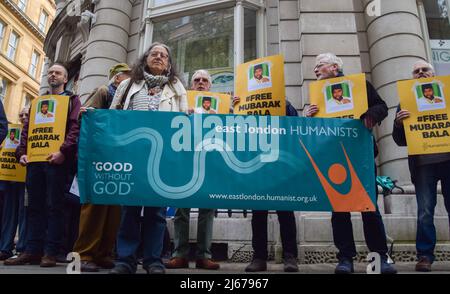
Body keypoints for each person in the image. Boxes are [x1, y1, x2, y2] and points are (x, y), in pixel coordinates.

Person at [304, 53, 397, 274]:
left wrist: (369, 116)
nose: (315, 70)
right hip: (333, 158)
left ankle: (379, 260)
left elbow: (381, 106)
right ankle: (345, 259)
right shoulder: (317, 96)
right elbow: (312, 131)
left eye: (320, 65)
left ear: (335, 67)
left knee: (370, 209)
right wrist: (308, 115)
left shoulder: (358, 86)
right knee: (339, 210)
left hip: (360, 157)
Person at [109, 42, 188, 274]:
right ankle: (125, 260)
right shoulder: (127, 84)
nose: (159, 57)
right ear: (145, 59)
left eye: (163, 55)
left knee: (156, 211)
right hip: (131, 155)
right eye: (154, 54)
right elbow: (113, 117)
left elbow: (183, 121)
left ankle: (153, 260)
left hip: (162, 157)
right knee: (129, 209)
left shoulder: (177, 88)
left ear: (168, 64)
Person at [4, 63, 81, 267]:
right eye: (50, 72)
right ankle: (32, 250)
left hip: (56, 161)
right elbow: (28, 131)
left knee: (55, 206)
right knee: (34, 206)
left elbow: (75, 128)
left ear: (65, 79)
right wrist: (22, 153)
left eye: (58, 73)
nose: (53, 75)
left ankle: (50, 252)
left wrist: (63, 152)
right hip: (35, 162)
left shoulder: (72, 100)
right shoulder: (38, 102)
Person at [72, 63, 131, 272]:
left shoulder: (127, 99)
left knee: (114, 208)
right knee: (95, 206)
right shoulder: (104, 91)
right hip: (100, 156)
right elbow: (86, 117)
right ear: (117, 78)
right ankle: (83, 254)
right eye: (127, 76)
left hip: (118, 158)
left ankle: (103, 253)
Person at [392, 60, 450, 272]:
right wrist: (399, 123)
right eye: (416, 71)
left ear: (433, 74)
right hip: (423, 165)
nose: (421, 73)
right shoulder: (406, 102)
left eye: (425, 70)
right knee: (425, 211)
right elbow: (399, 140)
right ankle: (425, 255)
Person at [232, 95, 299, 272]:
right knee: (258, 212)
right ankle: (259, 257)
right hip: (257, 164)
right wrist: (236, 108)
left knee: (285, 212)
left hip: (280, 164)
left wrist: (284, 105)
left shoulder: (287, 105)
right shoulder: (247, 105)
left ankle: (290, 256)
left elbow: (297, 128)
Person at [165, 70, 220, 270]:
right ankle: (179, 254)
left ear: (210, 85)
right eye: (197, 80)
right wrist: (183, 114)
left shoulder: (220, 104)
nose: (200, 82)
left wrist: (224, 113)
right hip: (186, 158)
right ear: (191, 84)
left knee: (208, 208)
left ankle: (204, 255)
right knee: (182, 208)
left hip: (210, 160)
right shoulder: (183, 102)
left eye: (205, 80)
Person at [0, 109, 28, 261]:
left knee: (24, 214)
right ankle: (4, 248)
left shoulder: (31, 133)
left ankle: (21, 249)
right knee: (8, 215)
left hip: (26, 180)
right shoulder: (10, 133)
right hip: (10, 180)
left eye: (26, 115)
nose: (23, 117)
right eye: (21, 115)